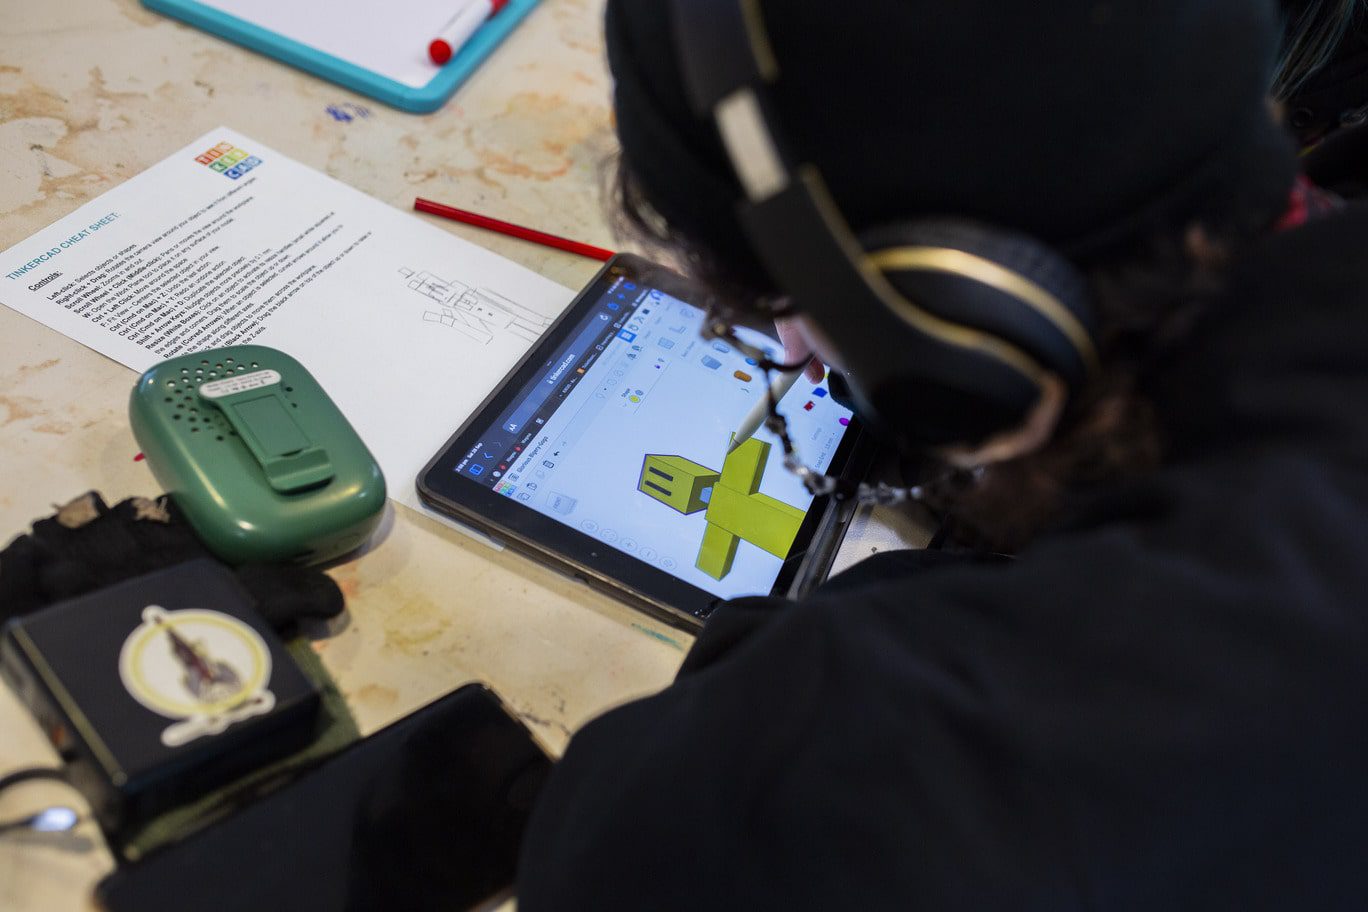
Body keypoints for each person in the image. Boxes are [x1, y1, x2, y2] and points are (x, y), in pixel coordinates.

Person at [516, 1, 1368, 908]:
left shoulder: (874, 766)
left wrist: (808, 661)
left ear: (956, 320)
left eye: (781, 300)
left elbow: (616, 846)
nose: (796, 351)